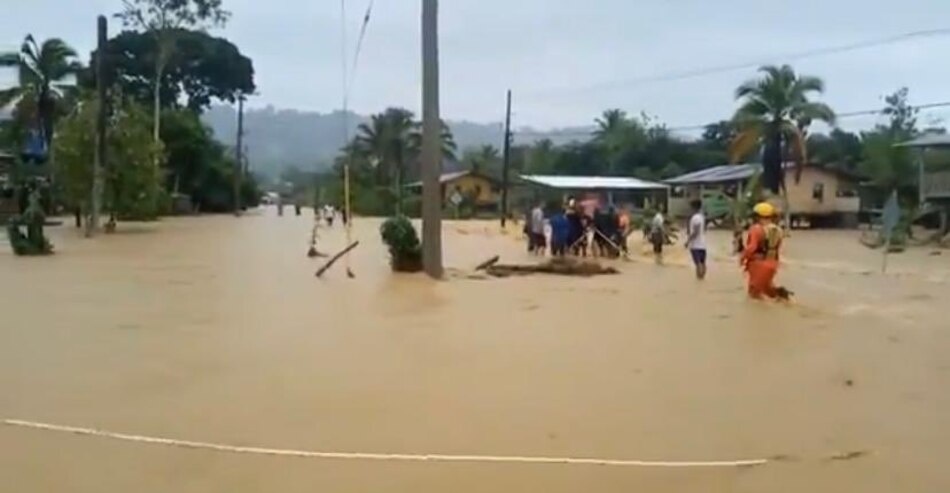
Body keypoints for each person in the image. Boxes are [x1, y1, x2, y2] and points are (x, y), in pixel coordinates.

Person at [741, 202, 785, 300]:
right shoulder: (778, 230)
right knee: (767, 289)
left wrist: (742, 257)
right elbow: (777, 248)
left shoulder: (756, 229)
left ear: (757, 216)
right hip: (773, 264)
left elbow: (752, 247)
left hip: (758, 264)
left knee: (754, 294)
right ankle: (781, 296)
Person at [685, 199, 707, 280]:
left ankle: (699, 279)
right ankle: (702, 280)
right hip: (703, 244)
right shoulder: (702, 217)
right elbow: (703, 230)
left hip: (696, 245)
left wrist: (688, 241)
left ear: (693, 207)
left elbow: (696, 231)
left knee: (698, 264)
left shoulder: (695, 218)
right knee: (703, 262)